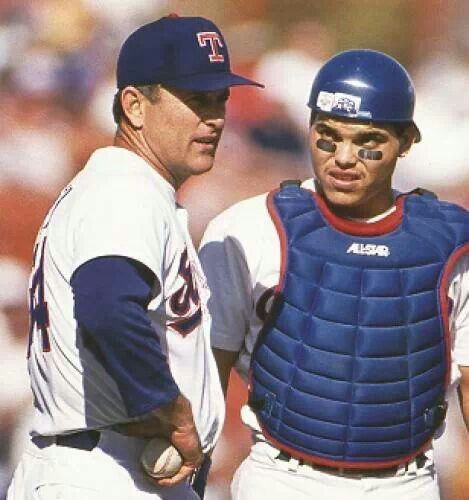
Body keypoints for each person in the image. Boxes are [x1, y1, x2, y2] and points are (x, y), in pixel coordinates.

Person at [7, 14, 262, 500]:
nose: (213, 118)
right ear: (134, 105)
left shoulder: (130, 189)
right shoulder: (124, 189)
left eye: (219, 100)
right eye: (194, 100)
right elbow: (106, 306)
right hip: (103, 469)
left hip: (109, 465)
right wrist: (171, 411)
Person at [199, 49, 469, 500]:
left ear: (406, 140)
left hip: (405, 484)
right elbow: (206, 370)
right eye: (327, 137)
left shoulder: (451, 246)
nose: (343, 157)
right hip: (281, 478)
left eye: (367, 141)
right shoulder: (247, 228)